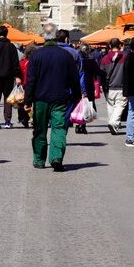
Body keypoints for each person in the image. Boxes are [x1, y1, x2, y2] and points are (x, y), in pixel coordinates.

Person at [23, 27, 81, 172]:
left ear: (43, 37)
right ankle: (56, 157)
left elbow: (31, 80)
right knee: (59, 128)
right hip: (60, 98)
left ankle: (39, 160)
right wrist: (77, 95)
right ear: (56, 36)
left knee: (39, 130)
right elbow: (74, 78)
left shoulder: (36, 55)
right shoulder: (66, 55)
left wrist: (27, 100)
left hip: (40, 99)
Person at [75, 44, 105, 134]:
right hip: (88, 86)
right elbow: (98, 71)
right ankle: (83, 125)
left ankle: (78, 124)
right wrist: (106, 74)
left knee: (79, 106)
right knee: (86, 106)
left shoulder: (76, 61)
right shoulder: (91, 61)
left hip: (77, 86)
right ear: (88, 51)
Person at [100, 38, 127, 135]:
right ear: (120, 45)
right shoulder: (125, 57)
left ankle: (113, 124)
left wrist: (101, 85)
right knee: (119, 105)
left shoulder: (104, 58)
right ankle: (113, 123)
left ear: (110, 46)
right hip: (122, 86)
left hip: (109, 87)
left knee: (110, 105)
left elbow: (101, 74)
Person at [17, 45, 37, 128]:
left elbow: (18, 72)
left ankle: (24, 118)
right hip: (35, 84)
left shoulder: (22, 62)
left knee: (23, 103)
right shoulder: (36, 62)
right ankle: (32, 119)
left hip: (24, 84)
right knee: (33, 103)